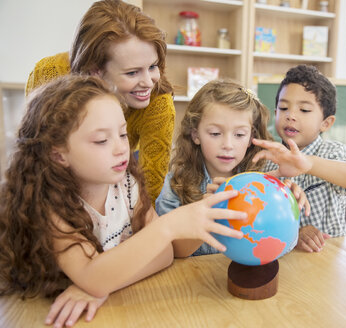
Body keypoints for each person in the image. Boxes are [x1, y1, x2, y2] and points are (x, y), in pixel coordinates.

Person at [0, 75, 247, 328]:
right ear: (58, 154)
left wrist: (106, 281)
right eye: (102, 140)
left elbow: (164, 255)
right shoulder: (49, 203)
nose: (121, 149)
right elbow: (91, 276)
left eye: (122, 134)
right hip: (44, 312)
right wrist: (168, 227)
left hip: (114, 309)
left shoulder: (127, 184)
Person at [25, 0, 175, 205]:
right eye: (132, 72)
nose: (149, 83)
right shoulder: (48, 75)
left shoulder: (158, 103)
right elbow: (34, 154)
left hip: (129, 164)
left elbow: (149, 191)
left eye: (153, 66)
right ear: (94, 71)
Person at [155, 79, 309, 258]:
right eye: (215, 133)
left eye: (239, 135)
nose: (228, 145)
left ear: (252, 136)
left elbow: (282, 247)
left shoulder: (265, 182)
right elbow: (169, 252)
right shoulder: (175, 184)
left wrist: (288, 207)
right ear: (195, 134)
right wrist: (207, 213)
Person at [252, 64, 346, 253]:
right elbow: (260, 218)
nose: (290, 116)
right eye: (283, 108)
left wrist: (310, 163)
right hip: (281, 259)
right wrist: (296, 233)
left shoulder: (332, 152)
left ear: (326, 123)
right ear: (275, 114)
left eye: (304, 110)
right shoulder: (267, 159)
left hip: (327, 261)